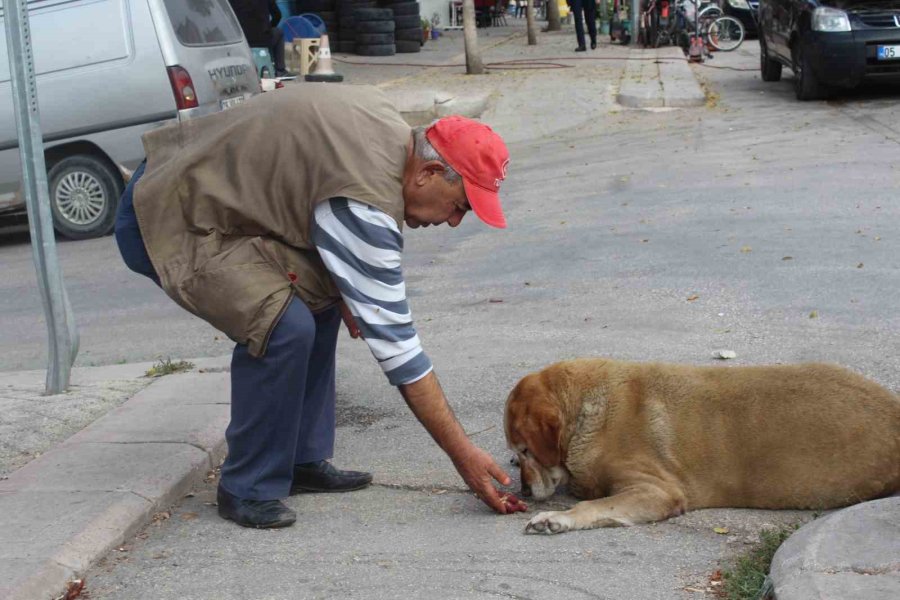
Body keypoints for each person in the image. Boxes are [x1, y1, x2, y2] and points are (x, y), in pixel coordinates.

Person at [114, 84, 522, 529]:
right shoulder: (364, 200)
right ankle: (246, 486)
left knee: (322, 298)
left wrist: (348, 291)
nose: (454, 221)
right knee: (283, 326)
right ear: (428, 171)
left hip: (221, 204)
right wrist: (463, 455)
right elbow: (400, 354)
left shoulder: (393, 134)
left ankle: (299, 460)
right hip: (169, 214)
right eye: (460, 206)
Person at [228, 0, 296, 77]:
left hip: (241, 41)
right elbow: (277, 15)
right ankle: (280, 69)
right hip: (263, 39)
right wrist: (269, 27)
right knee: (279, 32)